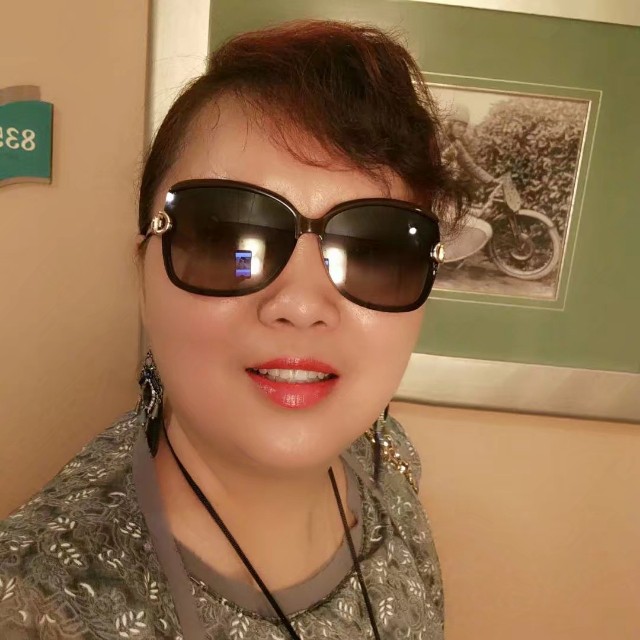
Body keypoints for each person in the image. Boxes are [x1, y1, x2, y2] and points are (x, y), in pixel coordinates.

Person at [0, 20, 463, 639]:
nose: (300, 304)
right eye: (228, 240)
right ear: (143, 272)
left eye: (374, 251)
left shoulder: (389, 460)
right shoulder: (38, 608)